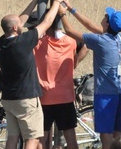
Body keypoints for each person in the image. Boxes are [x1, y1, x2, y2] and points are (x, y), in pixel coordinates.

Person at [0, 0, 67, 149]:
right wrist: (56, 0)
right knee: (32, 139)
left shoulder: (1, 43)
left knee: (12, 138)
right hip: (26, 98)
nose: (22, 23)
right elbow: (47, 22)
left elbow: (17, 21)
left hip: (8, 99)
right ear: (15, 28)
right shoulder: (24, 41)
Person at [60, 1, 121, 148]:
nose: (103, 17)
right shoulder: (118, 38)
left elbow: (70, 31)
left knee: (105, 133)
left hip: (105, 94)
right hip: (119, 92)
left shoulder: (101, 41)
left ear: (108, 24)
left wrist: (62, 14)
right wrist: (72, 9)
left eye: (106, 17)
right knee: (118, 133)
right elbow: (91, 26)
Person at [33, 21, 88, 149]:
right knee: (71, 138)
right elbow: (86, 46)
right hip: (65, 97)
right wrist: (75, 62)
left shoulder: (38, 43)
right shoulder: (70, 41)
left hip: (44, 97)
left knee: (41, 139)